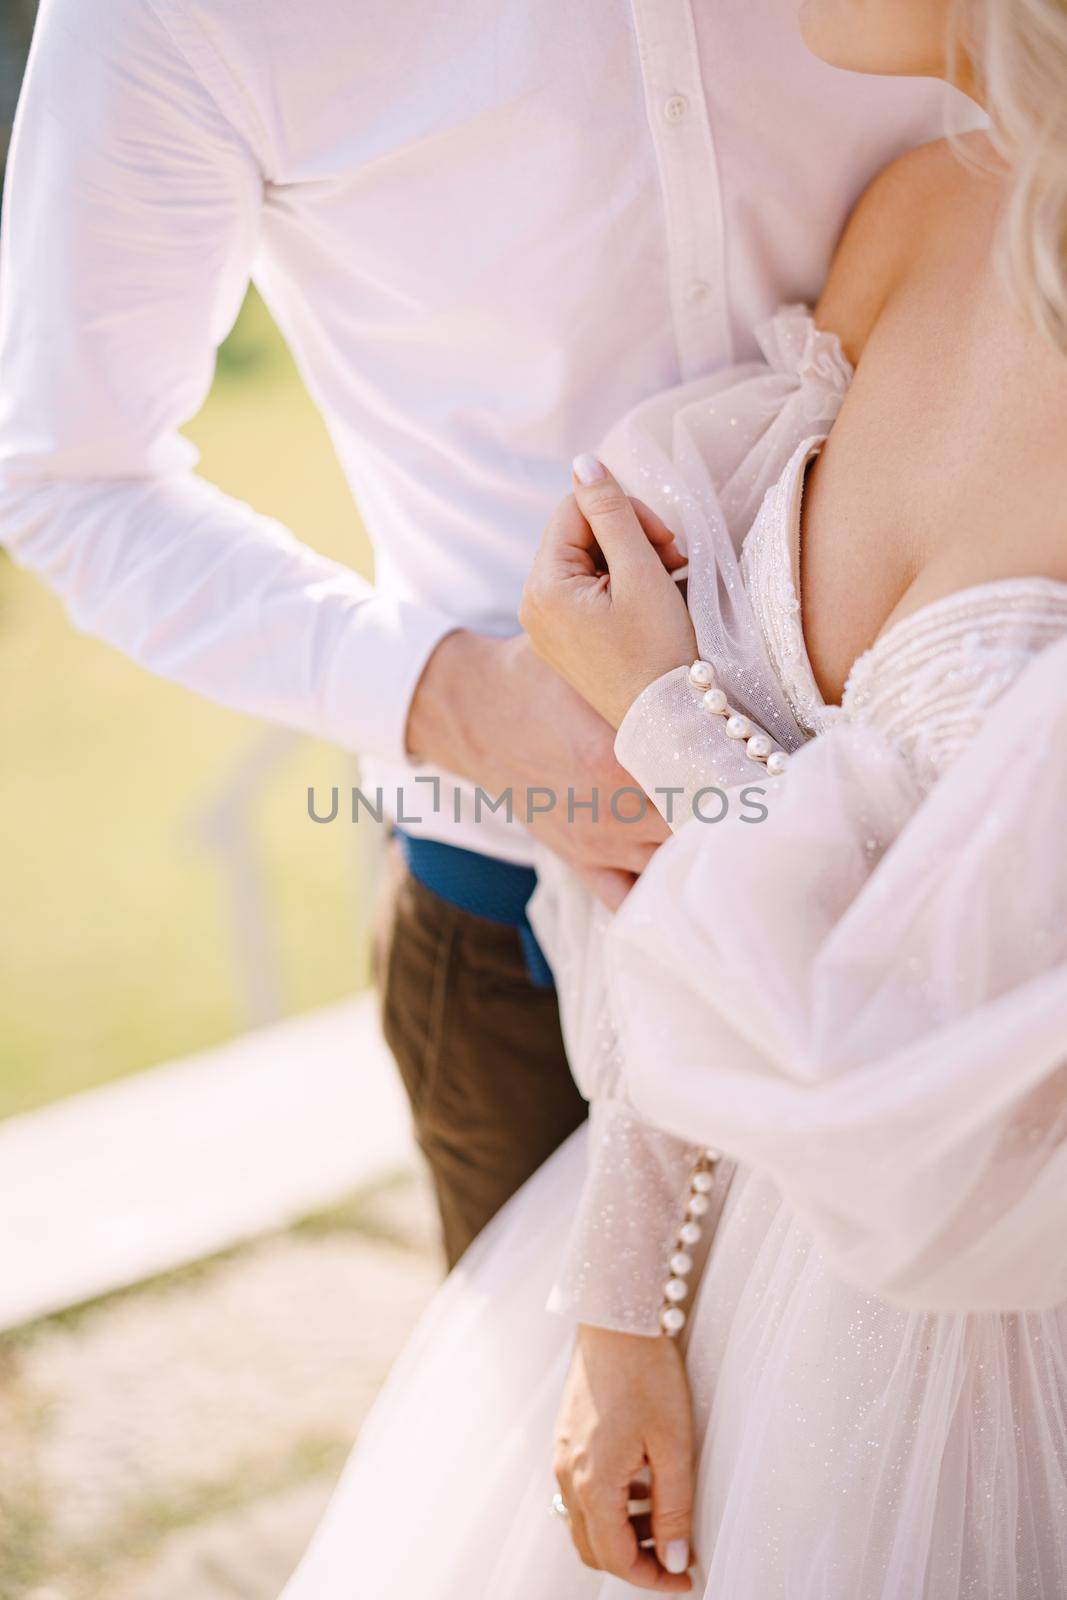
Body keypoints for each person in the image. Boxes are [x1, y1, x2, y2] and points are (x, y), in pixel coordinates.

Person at [278, 0, 1067, 1595]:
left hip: (987, 1357)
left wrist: (658, 715)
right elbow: (701, 917)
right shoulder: (915, 212)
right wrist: (626, 1308)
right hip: (735, 1288)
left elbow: (941, 1072)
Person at [0, 2, 957, 1267]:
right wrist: (449, 698)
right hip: (521, 928)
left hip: (958, 870)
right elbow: (70, 475)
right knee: (579, 1451)